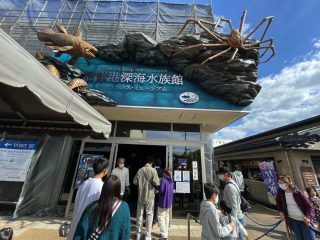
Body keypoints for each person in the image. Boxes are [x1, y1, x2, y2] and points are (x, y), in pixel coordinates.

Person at [73, 175, 130, 240]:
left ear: (104, 188)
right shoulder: (124, 208)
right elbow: (125, 234)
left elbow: (79, 234)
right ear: (118, 189)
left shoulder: (91, 207)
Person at [67, 158, 109, 240]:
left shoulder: (84, 184)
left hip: (75, 226)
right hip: (87, 230)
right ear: (105, 170)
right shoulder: (102, 187)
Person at [275, 175, 315, 240]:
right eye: (279, 183)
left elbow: (309, 206)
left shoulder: (298, 193)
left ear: (287, 183)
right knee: (299, 238)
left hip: (304, 220)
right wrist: (280, 211)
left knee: (309, 238)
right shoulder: (280, 193)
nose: (280, 185)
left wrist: (308, 217)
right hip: (292, 220)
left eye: (282, 183)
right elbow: (278, 203)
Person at [133, 156, 160, 240]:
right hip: (150, 196)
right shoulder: (153, 170)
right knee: (149, 215)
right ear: (151, 162)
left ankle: (138, 234)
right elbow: (156, 182)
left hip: (141, 196)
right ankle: (148, 235)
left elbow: (134, 181)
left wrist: (141, 184)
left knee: (139, 216)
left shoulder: (140, 170)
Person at [216, 167, 245, 240]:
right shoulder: (233, 183)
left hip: (236, 219)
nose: (219, 176)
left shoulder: (229, 187)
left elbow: (234, 206)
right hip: (238, 218)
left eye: (220, 174)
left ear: (226, 174)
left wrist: (232, 222)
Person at [158, 168, 174, 240]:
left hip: (163, 201)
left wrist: (158, 186)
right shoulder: (171, 180)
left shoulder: (163, 180)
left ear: (164, 173)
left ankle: (164, 236)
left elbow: (161, 190)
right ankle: (166, 233)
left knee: (161, 218)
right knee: (166, 218)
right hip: (169, 202)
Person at [153, 158, 164, 229]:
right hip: (158, 190)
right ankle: (155, 220)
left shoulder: (152, 170)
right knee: (157, 206)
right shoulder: (161, 171)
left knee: (150, 205)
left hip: (150, 190)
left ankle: (149, 220)